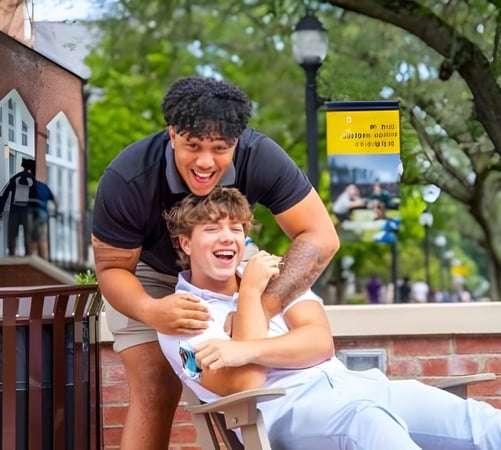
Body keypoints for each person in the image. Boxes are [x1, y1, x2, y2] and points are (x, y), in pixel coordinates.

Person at [158, 187, 501, 450]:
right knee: (368, 422)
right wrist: (251, 298)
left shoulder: (272, 274)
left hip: (351, 384)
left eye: (236, 228)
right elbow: (247, 386)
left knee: (481, 423)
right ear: (185, 243)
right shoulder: (181, 315)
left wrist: (243, 341)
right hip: (285, 417)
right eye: (213, 230)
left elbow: (318, 344)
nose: (229, 239)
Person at [90, 76, 339, 449]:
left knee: (252, 376)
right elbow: (112, 269)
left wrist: (257, 307)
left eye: (220, 148)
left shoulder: (261, 156)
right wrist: (151, 310)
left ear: (237, 142)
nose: (206, 162)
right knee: (155, 387)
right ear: (172, 133)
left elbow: (320, 237)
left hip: (230, 257)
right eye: (193, 146)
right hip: (146, 272)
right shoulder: (128, 178)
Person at [0, 158, 38, 256]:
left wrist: (0, 210)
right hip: (27, 212)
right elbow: (36, 197)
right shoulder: (33, 179)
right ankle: (28, 259)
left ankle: (12, 257)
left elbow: (3, 194)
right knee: (27, 236)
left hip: (14, 210)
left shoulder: (15, 178)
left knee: (12, 236)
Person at [29, 177, 58, 260]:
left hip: (30, 213)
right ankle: (43, 259)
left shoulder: (29, 187)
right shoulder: (44, 186)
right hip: (42, 213)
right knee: (42, 238)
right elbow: (55, 201)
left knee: (31, 237)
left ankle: (32, 258)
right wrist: (55, 212)